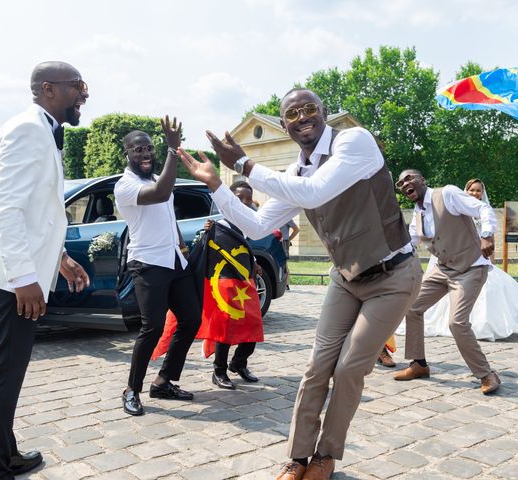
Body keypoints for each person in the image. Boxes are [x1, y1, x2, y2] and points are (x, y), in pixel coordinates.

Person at [178, 88, 422, 480]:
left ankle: (325, 457)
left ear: (323, 113)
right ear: (285, 123)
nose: (302, 117)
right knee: (315, 368)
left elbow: (317, 191)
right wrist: (216, 186)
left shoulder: (353, 143)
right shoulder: (295, 172)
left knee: (347, 369)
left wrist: (243, 163)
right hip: (346, 278)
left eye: (309, 109)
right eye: (292, 113)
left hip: (393, 275)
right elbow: (258, 225)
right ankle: (297, 458)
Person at [0, 61, 90, 480]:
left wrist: (60, 260)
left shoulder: (41, 131)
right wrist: (23, 278)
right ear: (48, 89)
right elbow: (6, 209)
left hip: (7, 270)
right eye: (78, 86)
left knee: (9, 371)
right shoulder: (28, 129)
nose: (85, 94)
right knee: (5, 373)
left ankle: (7, 453)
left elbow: (38, 214)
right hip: (1, 274)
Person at [114, 120, 201, 417]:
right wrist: (173, 151)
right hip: (147, 263)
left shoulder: (158, 176)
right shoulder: (125, 185)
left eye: (149, 147)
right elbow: (161, 194)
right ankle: (132, 389)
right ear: (126, 154)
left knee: (191, 319)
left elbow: (167, 211)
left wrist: (182, 246)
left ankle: (164, 381)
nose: (145, 153)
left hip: (174, 259)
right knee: (152, 327)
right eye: (138, 149)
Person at [393, 169, 501, 395]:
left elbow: (482, 208)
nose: (404, 184)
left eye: (409, 178)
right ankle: (418, 364)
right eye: (400, 183)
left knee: (457, 323)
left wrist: (487, 234)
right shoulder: (418, 214)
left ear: (422, 180)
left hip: (470, 268)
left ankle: (486, 374)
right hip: (442, 269)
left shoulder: (448, 194)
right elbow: (409, 243)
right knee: (412, 307)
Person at [395, 178, 518, 341]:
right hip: (449, 259)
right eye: (471, 190)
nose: (474, 193)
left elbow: (489, 239)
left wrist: (489, 256)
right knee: (425, 301)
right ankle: (422, 356)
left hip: (475, 262)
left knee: (482, 297)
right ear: (465, 191)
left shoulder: (482, 211)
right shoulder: (454, 206)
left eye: (478, 190)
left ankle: (478, 327)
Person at [205, 180, 262, 390]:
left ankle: (238, 363)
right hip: (224, 283)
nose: (244, 203)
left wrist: (254, 262)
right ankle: (218, 371)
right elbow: (209, 254)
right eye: (239, 199)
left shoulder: (247, 225)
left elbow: (241, 250)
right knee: (226, 328)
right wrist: (207, 233)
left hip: (244, 283)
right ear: (229, 200)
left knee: (253, 324)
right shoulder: (219, 225)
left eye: (248, 199)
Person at [280, 219, 299, 290]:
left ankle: (286, 284)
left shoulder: (287, 217)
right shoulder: (276, 216)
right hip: (275, 241)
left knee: (284, 263)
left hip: (284, 242)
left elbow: (296, 229)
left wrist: (289, 239)